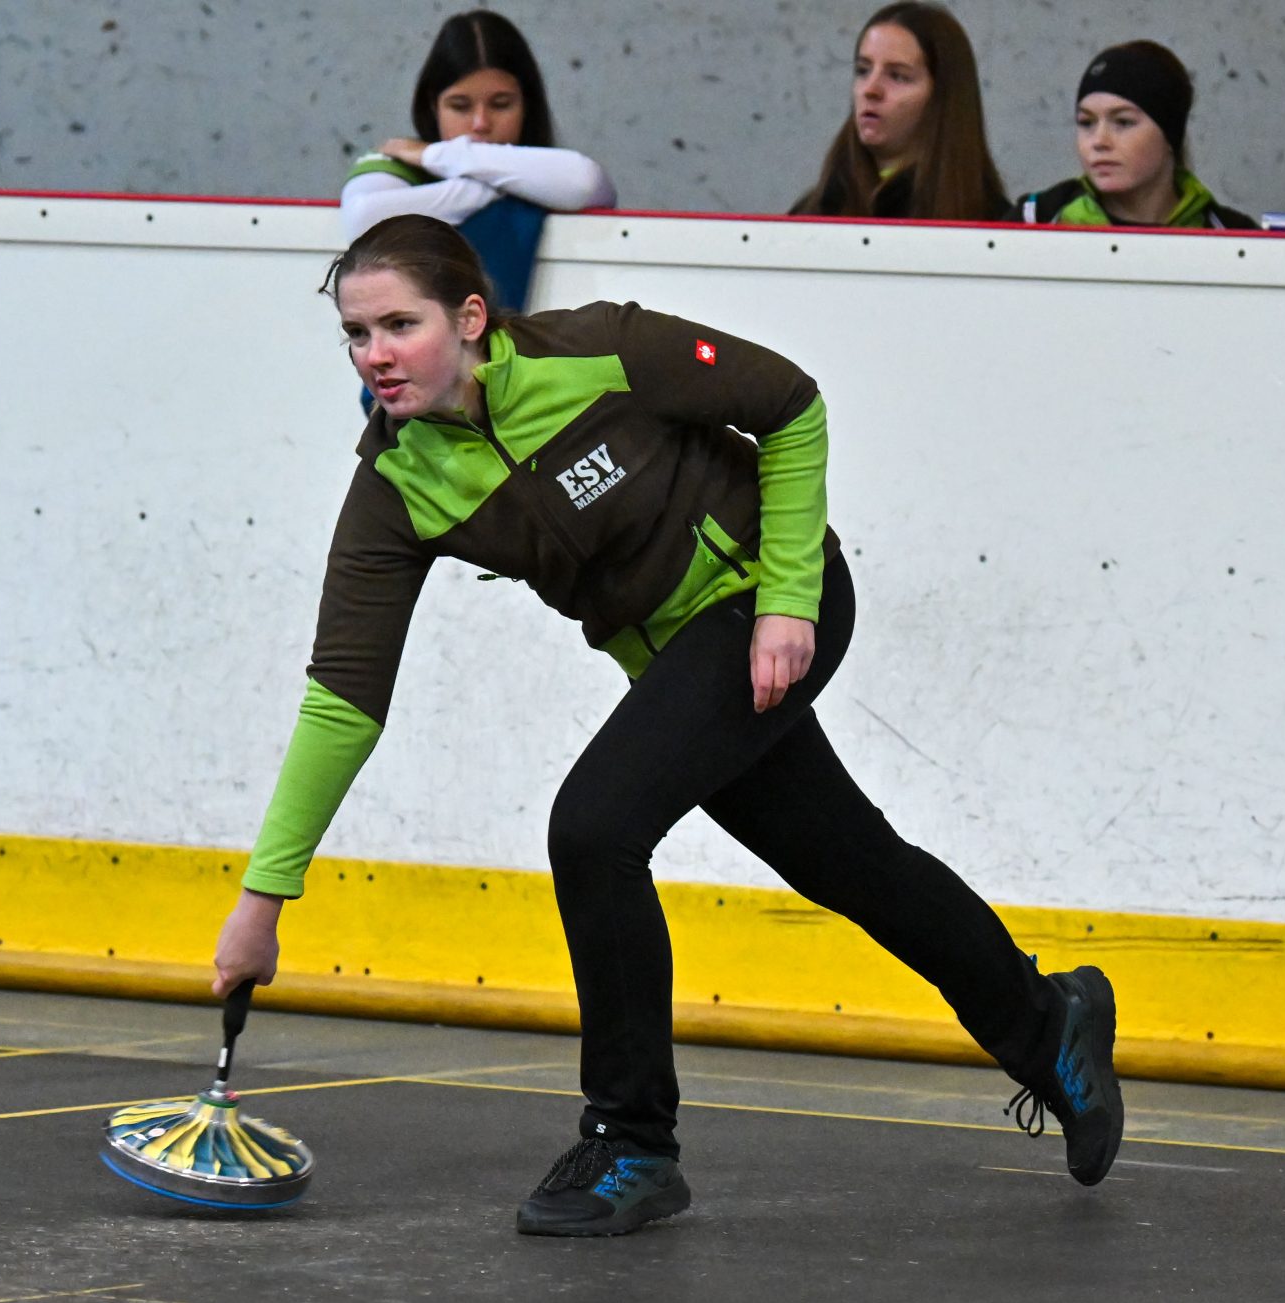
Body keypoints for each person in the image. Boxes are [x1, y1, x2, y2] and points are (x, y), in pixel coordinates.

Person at [210, 213, 1124, 1237]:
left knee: (593, 826)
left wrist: (785, 598)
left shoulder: (600, 350)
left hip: (771, 600)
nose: (373, 355)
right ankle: (1049, 1027)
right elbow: (343, 695)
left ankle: (631, 1143)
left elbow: (789, 404)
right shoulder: (396, 486)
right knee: (849, 862)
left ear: (470, 317)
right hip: (677, 659)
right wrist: (263, 899)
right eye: (355, 334)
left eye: (398, 325)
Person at [340, 10, 614, 315]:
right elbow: (363, 219)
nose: (481, 123)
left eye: (501, 104)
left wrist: (442, 156)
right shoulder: (398, 161)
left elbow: (585, 183)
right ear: (433, 105)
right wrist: (492, 184)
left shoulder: (547, 173)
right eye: (460, 106)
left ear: (527, 104)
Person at [788, 2, 1008, 221]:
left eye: (898, 76)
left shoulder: (991, 224)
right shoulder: (814, 212)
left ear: (942, 98)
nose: (870, 90)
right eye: (863, 71)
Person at [1009, 41, 1258, 229]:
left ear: (1170, 134)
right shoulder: (1034, 220)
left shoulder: (1233, 235)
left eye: (1123, 122)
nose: (1099, 141)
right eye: (1086, 122)